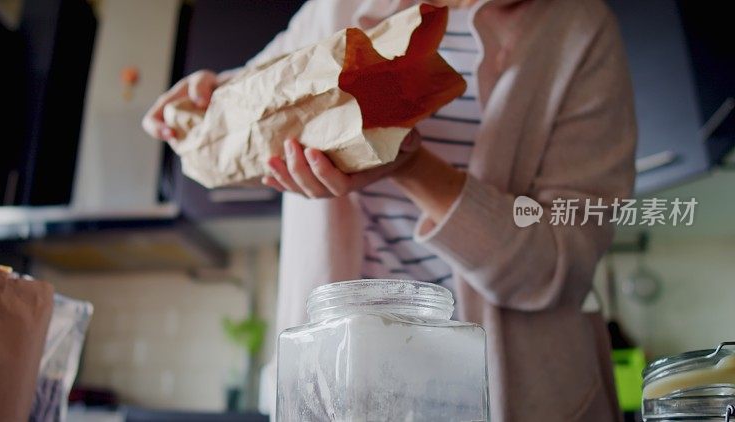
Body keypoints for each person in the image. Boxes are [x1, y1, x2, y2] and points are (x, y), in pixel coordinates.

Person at [143, 0, 636, 420]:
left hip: (518, 396)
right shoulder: (334, 10)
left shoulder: (578, 29)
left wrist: (411, 165)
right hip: (340, 386)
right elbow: (253, 121)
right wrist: (200, 104)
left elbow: (556, 268)